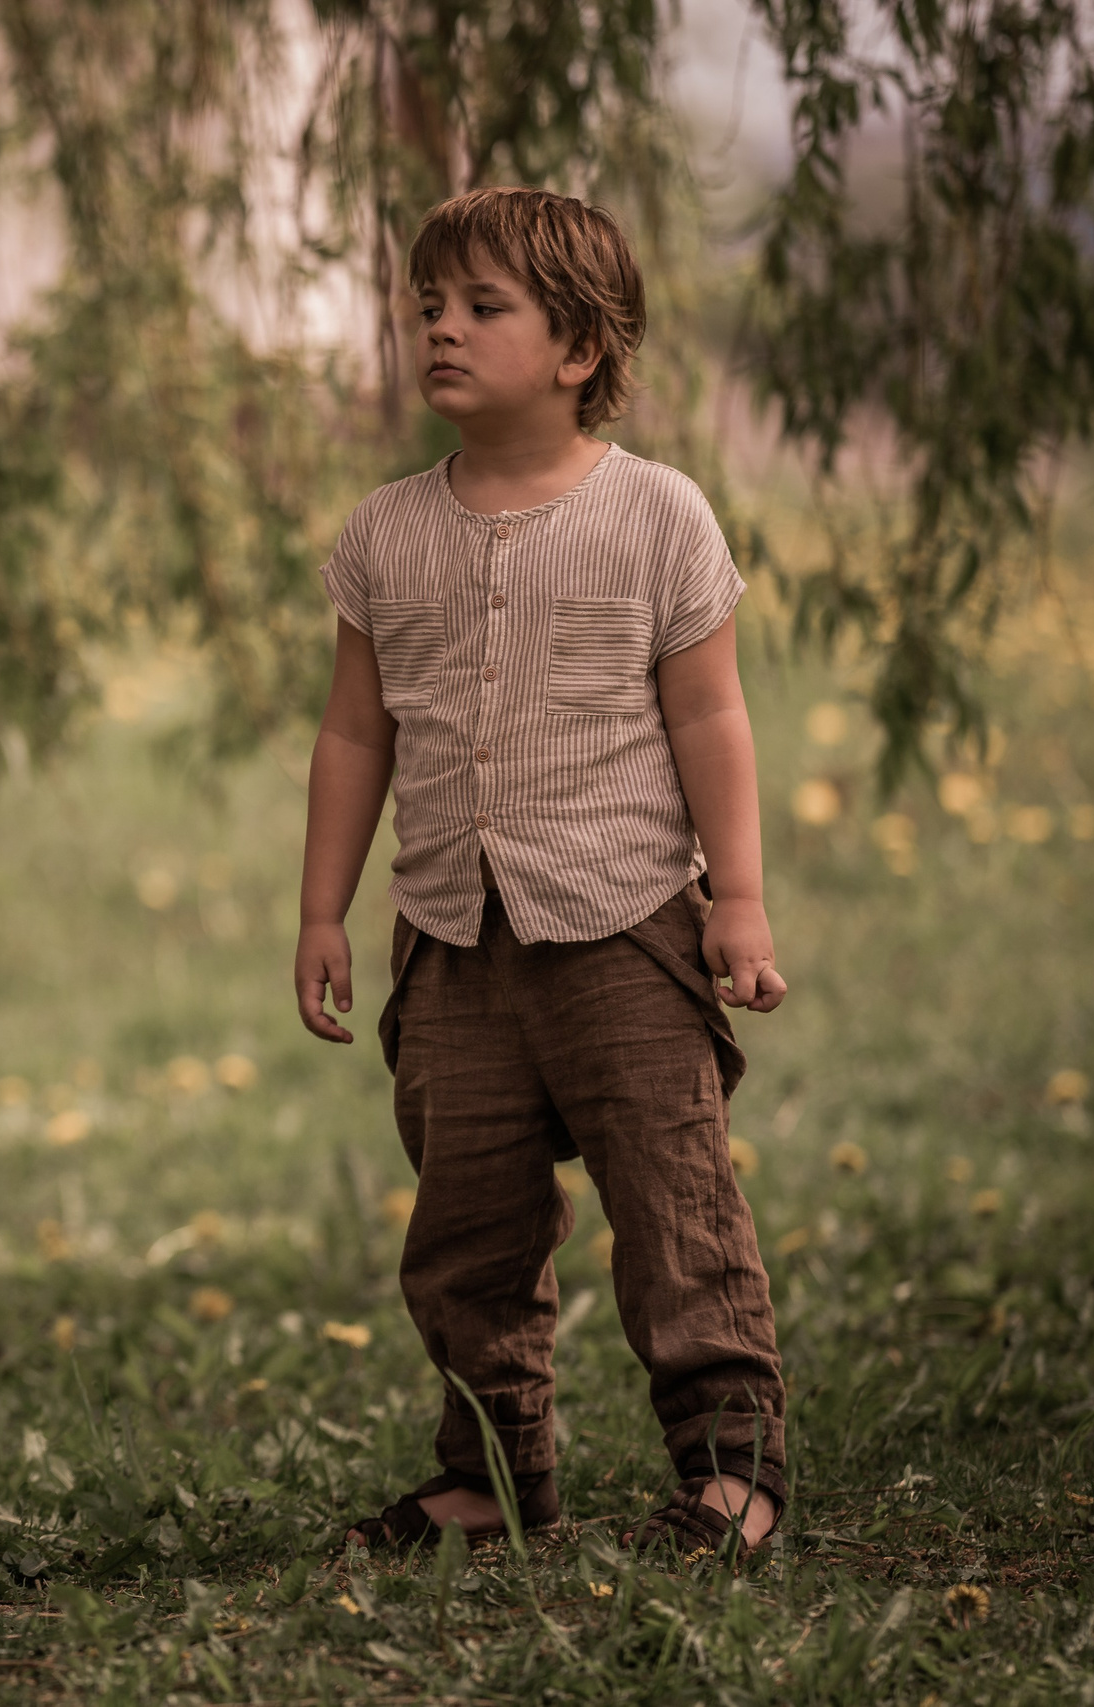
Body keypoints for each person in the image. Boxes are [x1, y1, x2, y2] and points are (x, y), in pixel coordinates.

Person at [292, 187, 789, 1556]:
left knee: (672, 1201)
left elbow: (711, 716)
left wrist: (734, 898)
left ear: (579, 347)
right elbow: (353, 730)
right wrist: (324, 905)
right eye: (427, 307)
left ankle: (731, 1471)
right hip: (453, 933)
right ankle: (492, 1477)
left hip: (627, 922)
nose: (438, 327)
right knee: (465, 1229)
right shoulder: (386, 534)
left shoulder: (656, 514)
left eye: (480, 307)